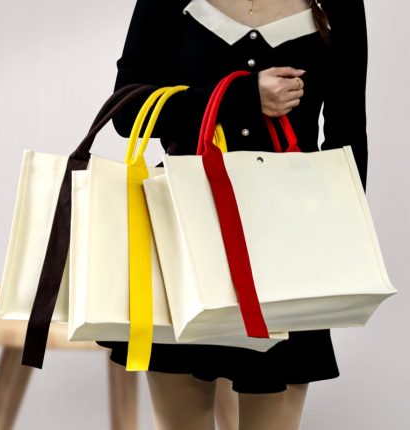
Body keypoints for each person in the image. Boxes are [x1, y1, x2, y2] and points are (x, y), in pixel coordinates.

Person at [97, 0, 369, 429]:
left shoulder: (338, 4)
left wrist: (346, 239)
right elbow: (128, 110)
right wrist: (240, 97)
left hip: (288, 249)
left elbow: (347, 131)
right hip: (183, 240)